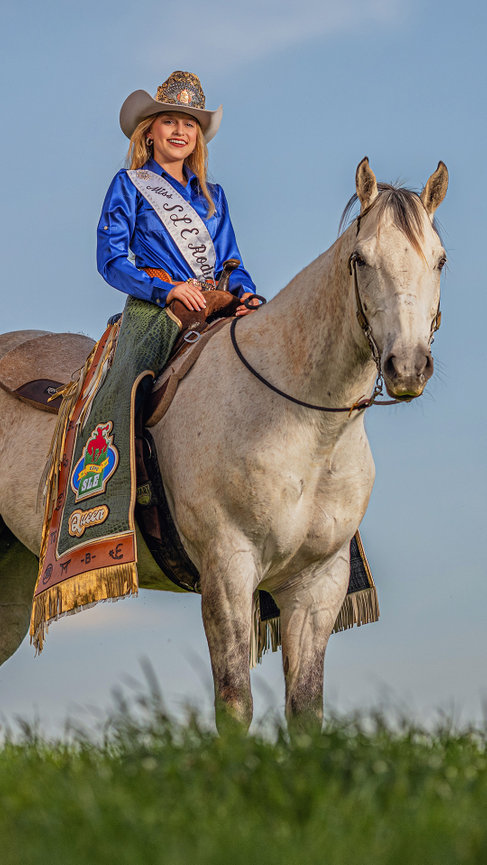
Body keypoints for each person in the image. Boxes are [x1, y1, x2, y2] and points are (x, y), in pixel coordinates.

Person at [97, 70, 257, 318]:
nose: (180, 131)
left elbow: (231, 264)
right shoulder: (130, 184)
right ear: (150, 132)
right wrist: (166, 290)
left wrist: (246, 293)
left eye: (189, 124)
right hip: (156, 305)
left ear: (196, 137)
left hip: (213, 303)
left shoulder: (214, 196)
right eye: (169, 121)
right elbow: (111, 261)